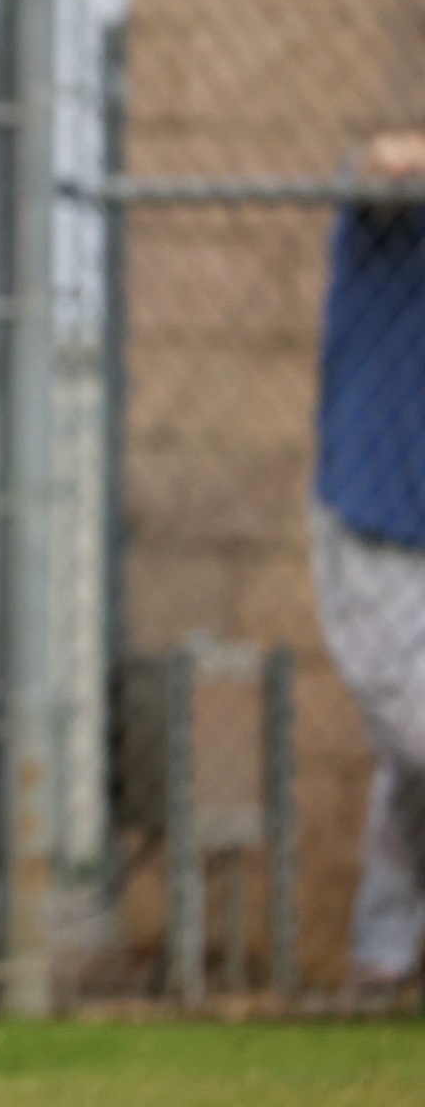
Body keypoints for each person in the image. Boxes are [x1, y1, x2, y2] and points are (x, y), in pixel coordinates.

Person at [310, 129, 425, 1003]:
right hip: (376, 524)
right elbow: (378, 165)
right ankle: (382, 956)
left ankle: (381, 960)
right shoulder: (392, 220)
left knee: (411, 767)